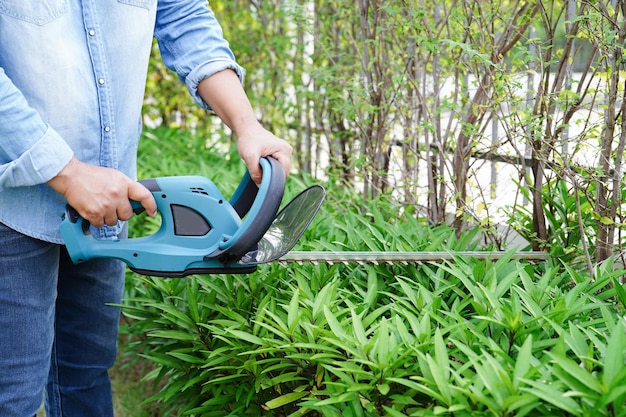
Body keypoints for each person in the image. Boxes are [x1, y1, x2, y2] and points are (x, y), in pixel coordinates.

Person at [0, 0, 292, 415]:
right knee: (12, 397)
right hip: (11, 206)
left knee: (85, 377)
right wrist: (68, 173)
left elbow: (182, 15)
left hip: (108, 206)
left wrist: (246, 124)